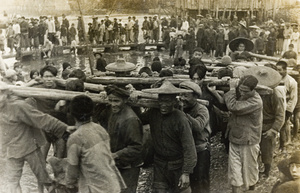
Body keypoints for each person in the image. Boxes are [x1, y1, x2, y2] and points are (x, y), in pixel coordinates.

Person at [0, 82, 73, 193]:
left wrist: (64, 127)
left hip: (29, 147)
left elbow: (41, 118)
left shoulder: (18, 106)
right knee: (12, 182)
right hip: (11, 151)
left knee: (44, 178)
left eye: (0, 95)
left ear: (6, 94)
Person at [140, 81, 197, 193]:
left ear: (174, 102)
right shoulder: (153, 113)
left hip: (178, 165)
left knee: (181, 190)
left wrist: (186, 173)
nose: (163, 105)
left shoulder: (181, 119)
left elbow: (189, 148)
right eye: (161, 101)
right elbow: (138, 120)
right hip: (160, 165)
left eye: (167, 101)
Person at [65, 95, 126, 192]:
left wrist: (69, 184)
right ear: (91, 112)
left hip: (95, 189)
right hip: (112, 184)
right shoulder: (99, 129)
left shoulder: (75, 138)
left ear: (72, 114)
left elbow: (72, 171)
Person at [224, 75, 263, 193]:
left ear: (253, 89)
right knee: (234, 173)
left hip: (248, 141)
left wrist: (231, 89)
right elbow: (228, 102)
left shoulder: (256, 101)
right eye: (240, 89)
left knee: (249, 174)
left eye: (245, 91)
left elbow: (233, 106)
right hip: (235, 138)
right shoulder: (242, 95)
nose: (241, 92)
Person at [104, 85, 144, 193]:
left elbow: (136, 147)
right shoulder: (113, 111)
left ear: (125, 100)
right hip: (117, 163)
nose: (113, 104)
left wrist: (116, 155)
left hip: (129, 167)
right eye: (110, 100)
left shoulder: (130, 120)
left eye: (116, 101)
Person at [179, 81, 211, 193]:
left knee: (200, 184)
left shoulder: (202, 109)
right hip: (184, 152)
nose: (182, 98)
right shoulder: (180, 108)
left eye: (186, 95)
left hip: (200, 151)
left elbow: (198, 126)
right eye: (181, 95)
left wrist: (182, 113)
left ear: (195, 97)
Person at [276, 61, 298, 151]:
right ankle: (276, 146)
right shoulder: (275, 79)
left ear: (285, 70)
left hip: (285, 108)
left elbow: (293, 98)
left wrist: (288, 111)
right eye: (276, 70)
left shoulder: (291, 81)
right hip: (275, 106)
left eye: (280, 70)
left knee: (283, 126)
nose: (278, 72)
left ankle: (283, 146)